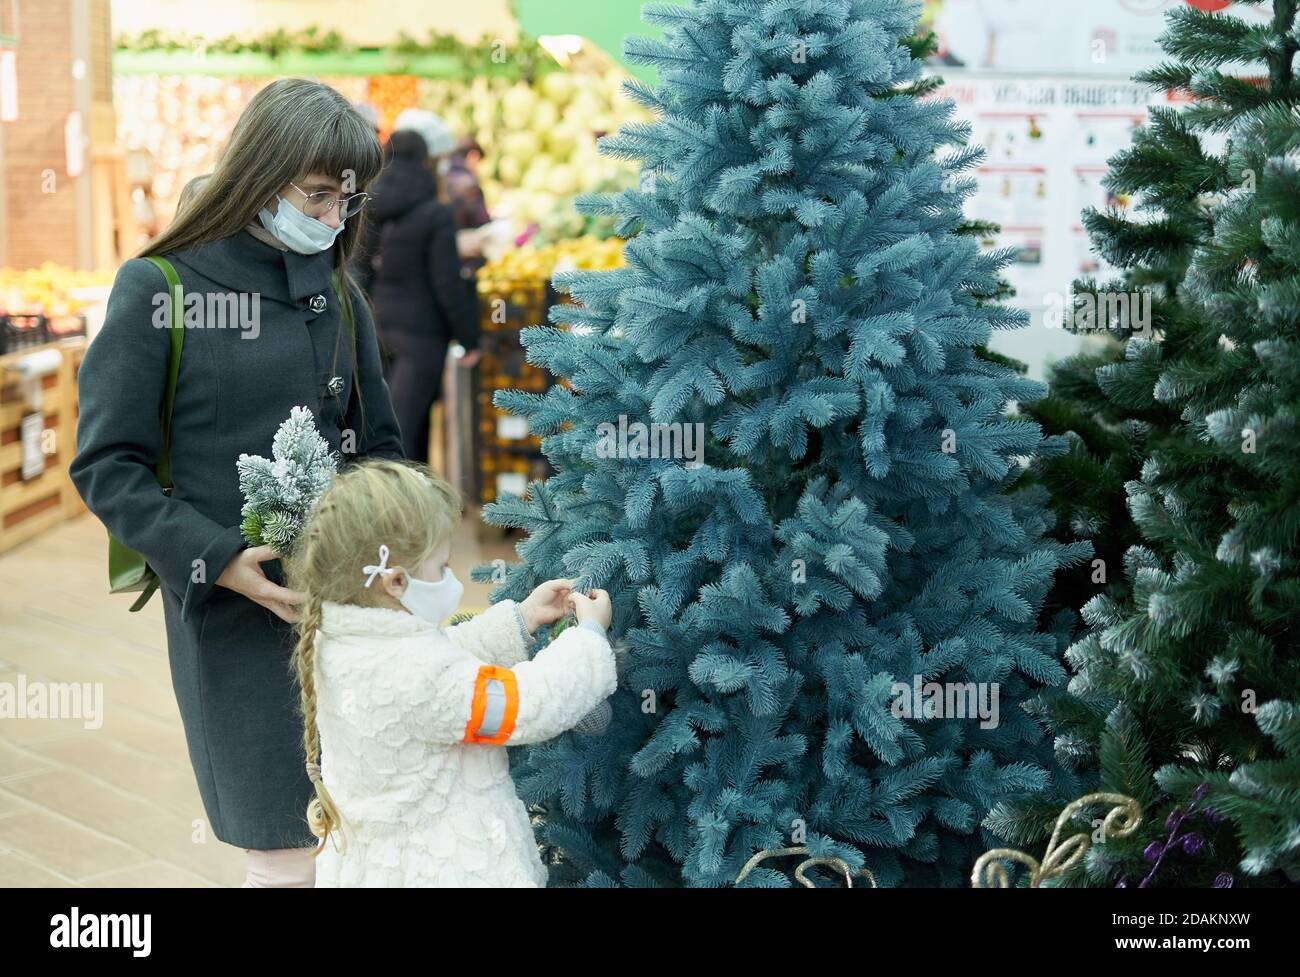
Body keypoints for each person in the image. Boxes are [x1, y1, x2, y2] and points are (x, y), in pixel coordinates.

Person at [69, 77, 404, 888]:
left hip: (350, 609)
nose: (331, 219)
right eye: (317, 196)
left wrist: (392, 547)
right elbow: (105, 463)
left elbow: (379, 443)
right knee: (280, 844)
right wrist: (216, 556)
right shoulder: (160, 289)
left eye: (346, 200)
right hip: (231, 612)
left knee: (362, 832)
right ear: (259, 174)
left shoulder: (338, 293)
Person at [286, 459, 616, 887]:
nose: (450, 576)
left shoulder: (347, 644)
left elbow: (446, 661)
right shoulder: (421, 675)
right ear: (396, 583)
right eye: (441, 568)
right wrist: (588, 638)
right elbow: (526, 705)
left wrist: (522, 619)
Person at [368, 127, 479, 462]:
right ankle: (411, 506)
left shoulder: (375, 207)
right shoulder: (435, 213)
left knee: (388, 423)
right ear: (426, 160)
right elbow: (446, 283)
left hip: (380, 326)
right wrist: (469, 338)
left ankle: (388, 503)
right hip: (422, 335)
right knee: (409, 426)